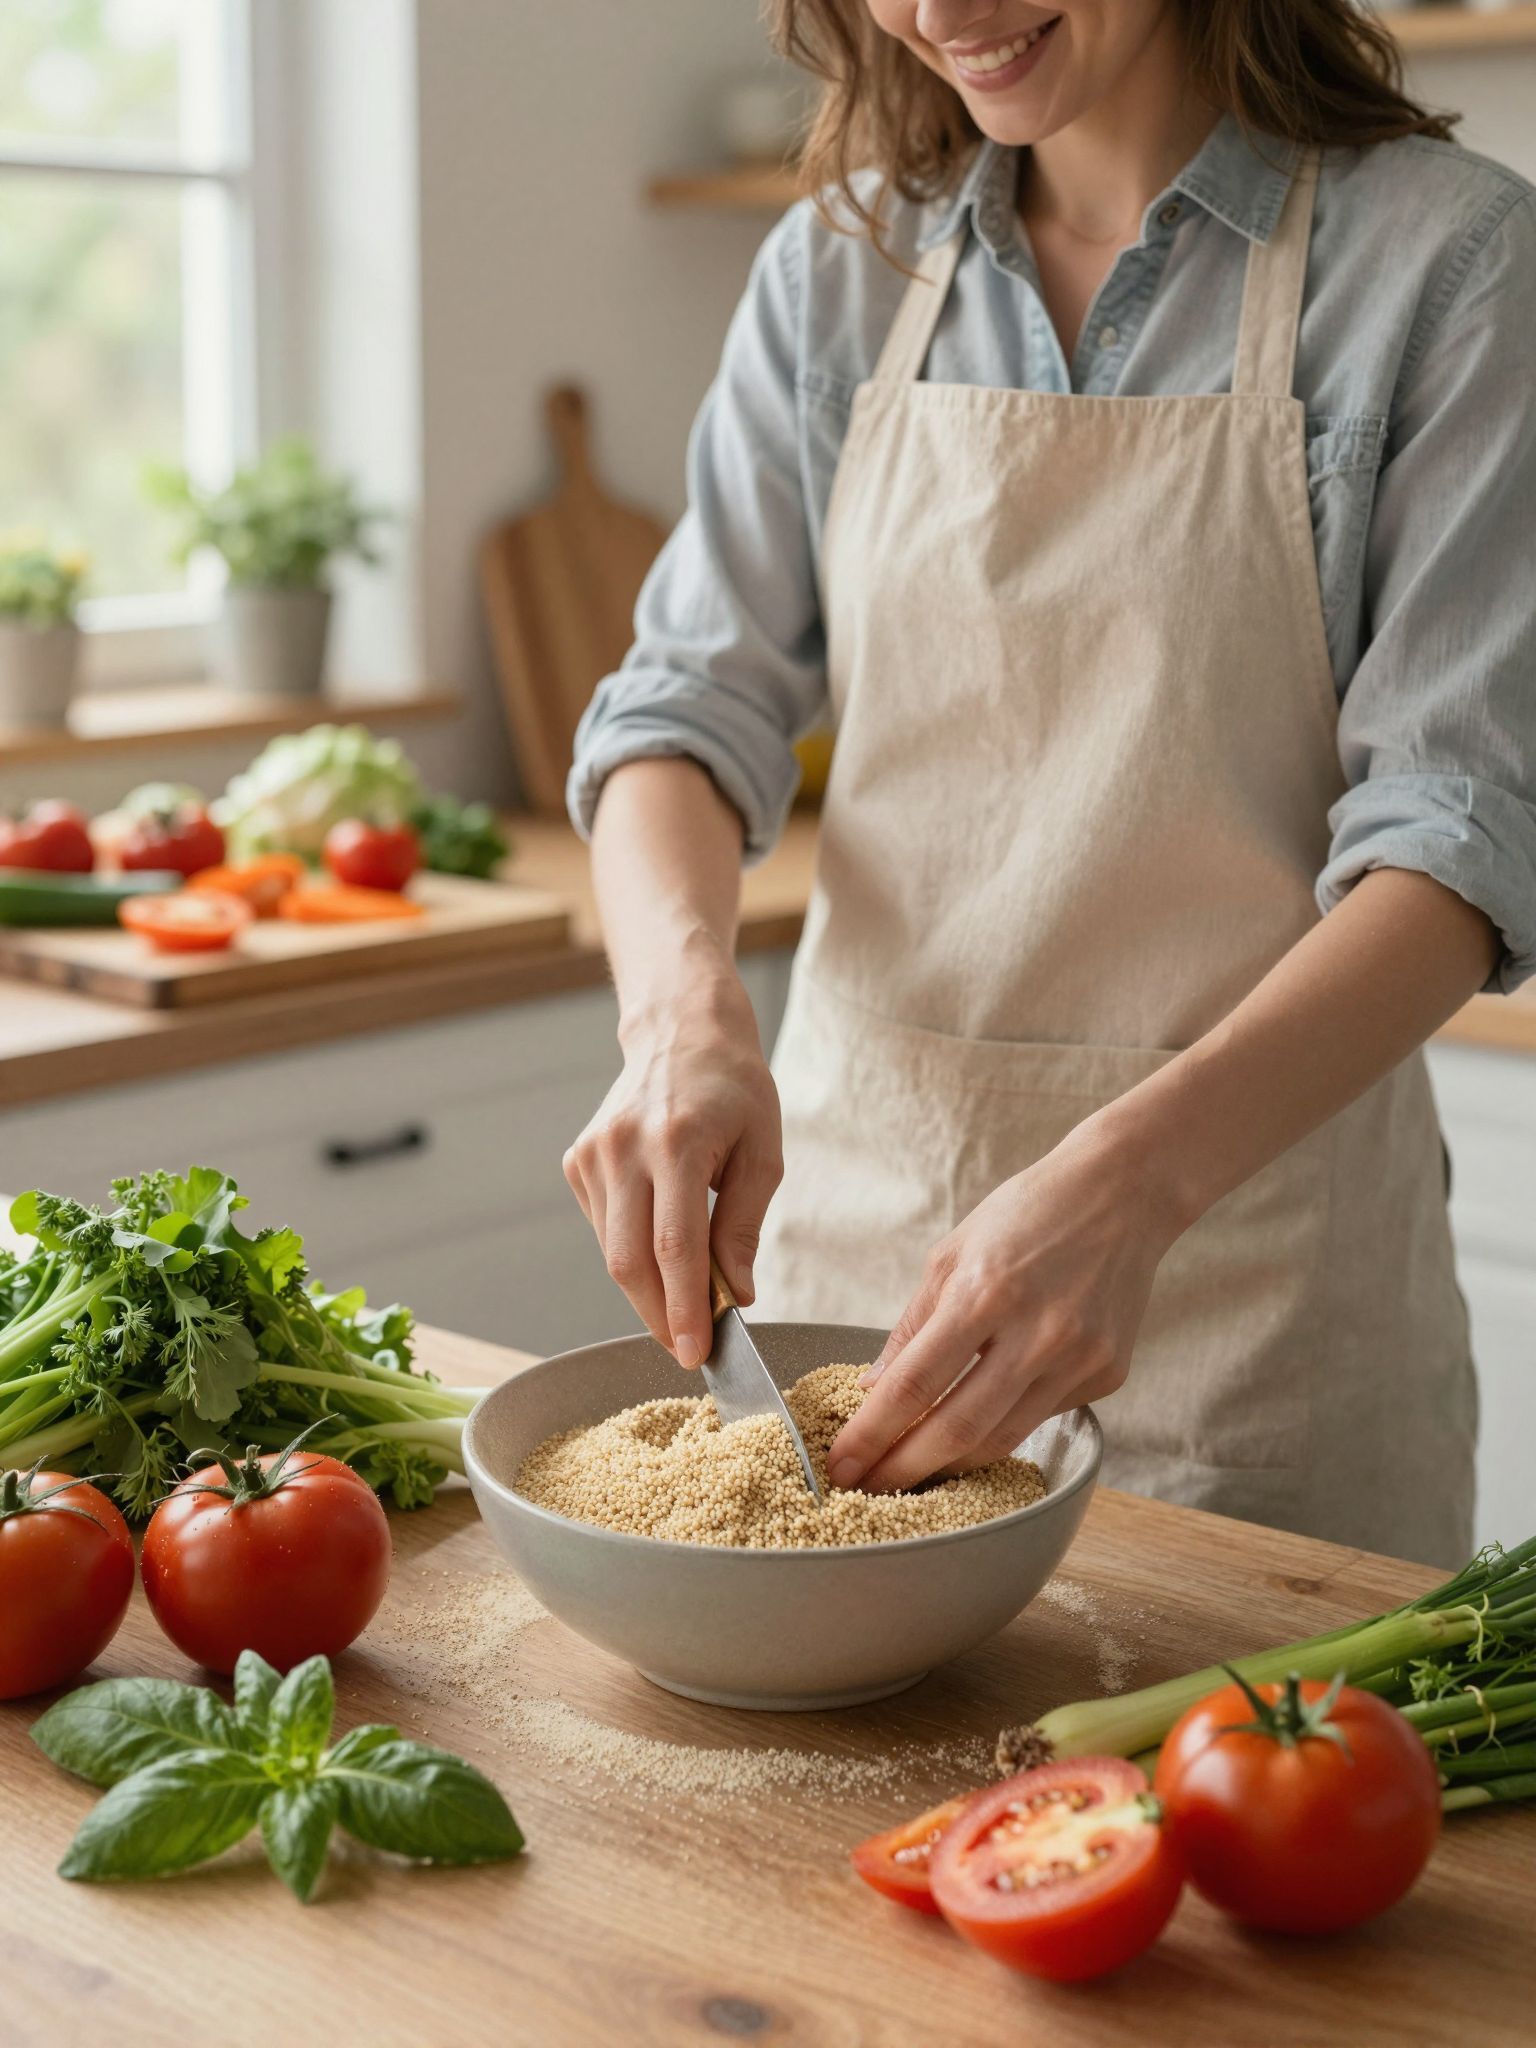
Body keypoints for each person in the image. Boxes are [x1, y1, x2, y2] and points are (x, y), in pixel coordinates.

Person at [561, 0, 1536, 1568]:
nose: (941, 13)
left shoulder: (1451, 264)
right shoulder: (839, 269)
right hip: (855, 1279)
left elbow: (1458, 839)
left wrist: (1131, 1189)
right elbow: (682, 707)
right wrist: (678, 1019)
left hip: (1258, 1318)